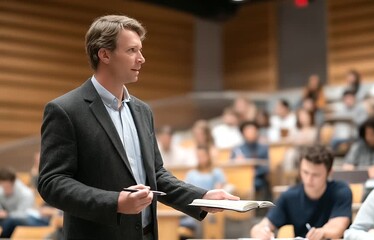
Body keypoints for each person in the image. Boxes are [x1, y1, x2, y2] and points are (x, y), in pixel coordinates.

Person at [37, 15, 238, 240]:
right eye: (132, 50)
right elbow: (52, 183)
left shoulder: (142, 111)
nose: (141, 59)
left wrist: (202, 196)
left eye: (140, 50)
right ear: (104, 54)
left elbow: (156, 175)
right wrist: (115, 203)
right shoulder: (65, 110)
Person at [251, 145, 352, 240]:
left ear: (329, 173)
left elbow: (337, 227)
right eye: (305, 172)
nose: (309, 179)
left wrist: (323, 232)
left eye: (316, 175)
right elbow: (263, 225)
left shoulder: (341, 191)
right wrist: (261, 232)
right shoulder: (289, 196)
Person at [180, 146, 227, 235]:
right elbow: (186, 190)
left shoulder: (216, 172)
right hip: (192, 206)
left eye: (203, 156)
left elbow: (219, 191)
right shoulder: (191, 174)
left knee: (203, 218)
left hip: (209, 207)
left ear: (208, 156)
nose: (201, 158)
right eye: (198, 156)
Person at [0, 167, 35, 238]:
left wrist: (7, 214)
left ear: (13, 182)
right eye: (3, 186)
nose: (5, 188)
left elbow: (24, 214)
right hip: (7, 221)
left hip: (28, 220)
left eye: (7, 186)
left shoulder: (26, 193)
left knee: (11, 221)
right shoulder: (1, 191)